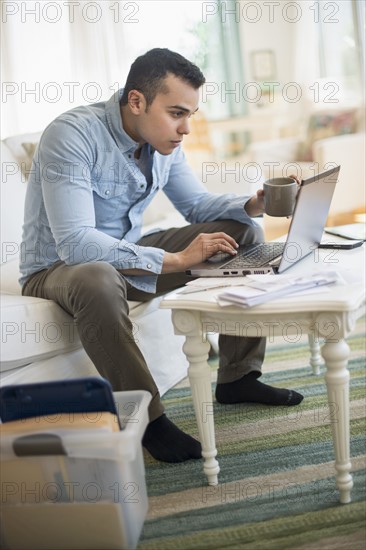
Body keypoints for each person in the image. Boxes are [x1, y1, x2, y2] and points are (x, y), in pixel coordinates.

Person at [20, 48, 303, 463]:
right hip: (59, 268)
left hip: (129, 255)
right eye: (176, 113)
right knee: (97, 275)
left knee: (242, 231)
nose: (186, 127)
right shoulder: (72, 135)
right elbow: (76, 244)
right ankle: (150, 423)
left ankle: (239, 377)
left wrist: (253, 205)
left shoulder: (161, 141)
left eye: (190, 114)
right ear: (137, 101)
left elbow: (197, 207)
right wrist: (175, 260)